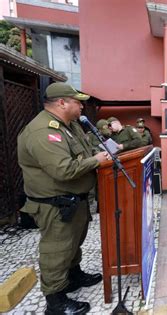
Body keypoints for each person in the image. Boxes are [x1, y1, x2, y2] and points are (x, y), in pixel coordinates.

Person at [17, 82, 109, 314]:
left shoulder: (69, 126)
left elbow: (84, 153)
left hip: (73, 201)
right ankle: (55, 301)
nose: (82, 106)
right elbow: (63, 170)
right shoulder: (43, 131)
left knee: (72, 243)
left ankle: (73, 276)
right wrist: (97, 160)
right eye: (77, 102)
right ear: (61, 103)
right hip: (55, 204)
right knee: (56, 249)